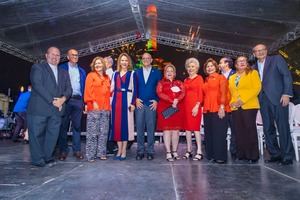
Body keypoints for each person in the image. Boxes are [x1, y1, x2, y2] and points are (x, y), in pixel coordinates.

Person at [27, 47, 72, 167]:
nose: (55, 57)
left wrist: (62, 99)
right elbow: (37, 85)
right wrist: (53, 100)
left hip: (57, 110)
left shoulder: (64, 72)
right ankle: (37, 159)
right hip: (40, 108)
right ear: (46, 56)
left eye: (57, 55)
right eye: (52, 54)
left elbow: (69, 89)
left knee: (52, 136)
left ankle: (48, 157)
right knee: (36, 135)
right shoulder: (38, 67)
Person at [253, 44, 294, 165]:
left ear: (266, 51)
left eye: (262, 50)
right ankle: (275, 154)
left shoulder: (276, 59)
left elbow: (286, 75)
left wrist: (286, 93)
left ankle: (287, 156)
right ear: (254, 54)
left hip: (279, 98)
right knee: (267, 128)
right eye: (257, 51)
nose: (260, 52)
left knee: (283, 127)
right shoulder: (254, 67)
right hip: (263, 100)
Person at [229, 56, 261, 163]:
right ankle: (241, 154)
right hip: (235, 107)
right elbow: (231, 92)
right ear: (236, 65)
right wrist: (232, 103)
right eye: (239, 61)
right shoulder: (232, 77)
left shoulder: (253, 73)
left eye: (244, 61)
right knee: (238, 131)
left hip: (249, 105)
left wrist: (242, 100)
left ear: (247, 63)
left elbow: (256, 88)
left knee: (249, 130)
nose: (241, 63)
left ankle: (253, 155)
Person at [58, 49, 86, 161]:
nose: (75, 56)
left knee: (77, 127)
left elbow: (84, 87)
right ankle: (63, 151)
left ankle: (77, 150)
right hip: (66, 100)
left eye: (76, 55)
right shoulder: (62, 68)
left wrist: (84, 102)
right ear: (68, 57)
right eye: (72, 55)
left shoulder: (82, 71)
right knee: (63, 126)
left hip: (78, 100)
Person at [135, 52, 162, 160]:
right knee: (140, 128)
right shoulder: (136, 72)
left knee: (151, 129)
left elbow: (160, 89)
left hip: (151, 104)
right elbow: (134, 88)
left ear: (151, 60)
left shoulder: (157, 73)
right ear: (142, 60)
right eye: (144, 58)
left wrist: (156, 100)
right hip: (140, 104)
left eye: (148, 58)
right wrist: (135, 99)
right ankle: (140, 151)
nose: (146, 60)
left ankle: (150, 151)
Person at [202, 58, 230, 164]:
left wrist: (222, 106)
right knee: (209, 134)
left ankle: (220, 157)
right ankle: (211, 155)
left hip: (218, 108)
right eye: (208, 66)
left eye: (212, 66)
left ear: (216, 67)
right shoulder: (206, 80)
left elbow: (224, 93)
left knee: (219, 134)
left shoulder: (221, 78)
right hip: (207, 109)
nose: (210, 68)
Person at [110, 53, 137, 160]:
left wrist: (133, 103)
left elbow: (135, 90)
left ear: (128, 62)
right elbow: (111, 89)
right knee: (116, 127)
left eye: (126, 60)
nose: (124, 62)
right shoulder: (115, 74)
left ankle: (124, 150)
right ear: (119, 62)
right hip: (116, 101)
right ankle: (119, 150)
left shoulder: (132, 74)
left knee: (125, 126)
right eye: (122, 60)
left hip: (127, 101)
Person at [156, 64, 185, 161]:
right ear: (164, 73)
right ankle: (168, 152)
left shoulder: (179, 82)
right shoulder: (161, 83)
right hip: (165, 108)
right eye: (167, 71)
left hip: (176, 108)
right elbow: (159, 93)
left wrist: (177, 100)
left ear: (174, 73)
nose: (169, 73)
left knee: (176, 131)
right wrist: (171, 100)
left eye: (171, 71)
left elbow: (183, 93)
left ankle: (175, 151)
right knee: (167, 130)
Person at [84, 56, 111, 162]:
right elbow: (88, 91)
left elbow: (109, 93)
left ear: (103, 65)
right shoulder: (91, 75)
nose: (98, 65)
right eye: (96, 64)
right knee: (92, 133)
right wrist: (93, 102)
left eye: (99, 63)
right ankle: (90, 155)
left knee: (104, 132)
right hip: (94, 107)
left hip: (106, 108)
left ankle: (101, 153)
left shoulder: (107, 77)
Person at [183, 57, 204, 161]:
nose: (190, 68)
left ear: (197, 68)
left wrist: (197, 106)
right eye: (189, 67)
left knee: (196, 129)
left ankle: (199, 151)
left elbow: (201, 94)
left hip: (195, 106)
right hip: (186, 106)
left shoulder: (199, 78)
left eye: (193, 66)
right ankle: (189, 150)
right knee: (187, 129)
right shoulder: (185, 80)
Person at [219, 57, 237, 159]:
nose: (219, 65)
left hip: (233, 106)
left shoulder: (235, 74)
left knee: (235, 130)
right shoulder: (219, 76)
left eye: (221, 62)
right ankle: (221, 151)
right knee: (221, 129)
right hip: (222, 107)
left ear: (227, 64)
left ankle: (234, 151)